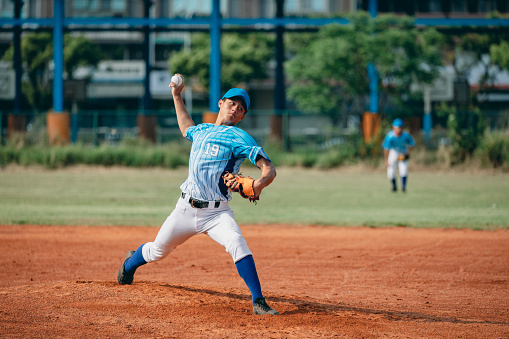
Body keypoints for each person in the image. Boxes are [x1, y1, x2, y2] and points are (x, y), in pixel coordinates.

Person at [117, 74, 279, 315]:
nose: (236, 108)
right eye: (232, 102)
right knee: (156, 251)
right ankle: (129, 264)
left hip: (217, 213)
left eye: (241, 108)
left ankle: (258, 301)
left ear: (243, 116)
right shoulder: (201, 131)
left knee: (236, 242)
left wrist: (258, 185)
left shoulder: (240, 137)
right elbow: (185, 127)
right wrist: (176, 94)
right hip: (185, 209)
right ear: (221, 103)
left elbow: (269, 169)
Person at [382, 118, 415, 192]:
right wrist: (386, 160)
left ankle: (403, 187)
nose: (398, 129)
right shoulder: (390, 136)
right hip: (393, 152)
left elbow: (412, 144)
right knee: (391, 171)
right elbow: (386, 149)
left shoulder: (406, 135)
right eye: (397, 127)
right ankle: (394, 187)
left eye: (400, 127)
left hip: (403, 152)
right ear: (393, 127)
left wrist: (408, 153)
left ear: (402, 127)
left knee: (404, 170)